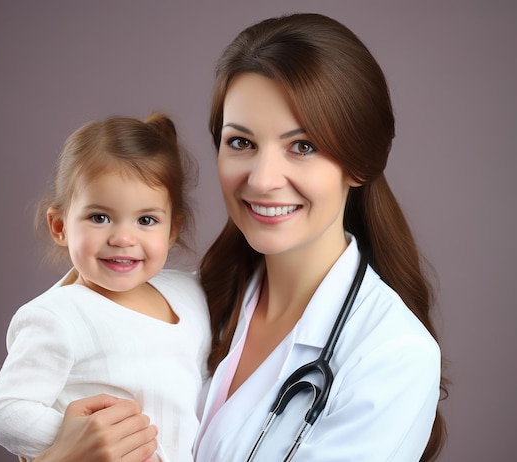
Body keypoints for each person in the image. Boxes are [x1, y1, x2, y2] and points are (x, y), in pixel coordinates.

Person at [30, 12, 447, 462]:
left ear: (359, 164)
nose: (263, 179)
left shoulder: (391, 355)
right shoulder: (179, 301)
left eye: (302, 146)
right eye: (241, 143)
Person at [0, 114, 211, 462]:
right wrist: (85, 441)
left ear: (172, 229)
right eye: (99, 217)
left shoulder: (190, 292)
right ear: (60, 226)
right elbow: (7, 412)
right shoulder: (58, 316)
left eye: (146, 220)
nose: (122, 238)